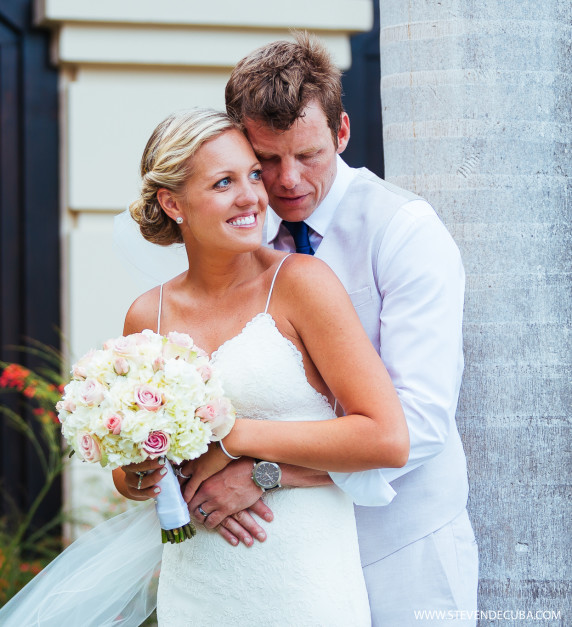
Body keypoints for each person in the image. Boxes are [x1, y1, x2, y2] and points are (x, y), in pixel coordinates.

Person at [183, 33, 478, 624]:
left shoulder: (405, 231)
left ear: (342, 132)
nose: (287, 180)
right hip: (286, 560)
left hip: (403, 547)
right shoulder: (240, 236)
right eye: (266, 159)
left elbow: (418, 423)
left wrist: (264, 475)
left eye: (308, 154)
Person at [112, 108, 409, 625]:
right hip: (197, 584)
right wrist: (138, 469)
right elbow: (128, 474)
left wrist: (234, 436)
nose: (252, 196)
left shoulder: (302, 284)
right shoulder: (147, 314)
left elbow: (385, 439)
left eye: (253, 174)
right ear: (172, 203)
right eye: (224, 182)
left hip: (302, 583)